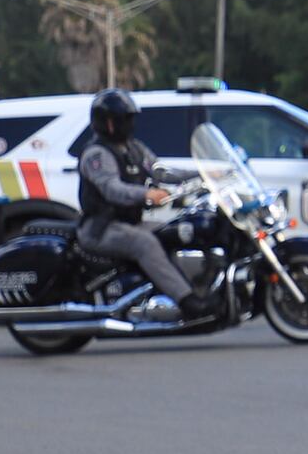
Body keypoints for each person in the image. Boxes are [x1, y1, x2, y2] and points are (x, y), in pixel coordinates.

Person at [76, 88, 210, 321]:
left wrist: (202, 174)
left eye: (130, 119)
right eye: (124, 120)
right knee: (145, 243)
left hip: (129, 223)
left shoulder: (134, 148)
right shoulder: (96, 154)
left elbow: (161, 171)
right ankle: (187, 301)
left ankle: (192, 286)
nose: (129, 124)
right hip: (101, 228)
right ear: (108, 123)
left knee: (176, 230)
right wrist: (147, 195)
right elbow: (112, 189)